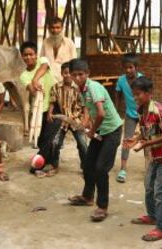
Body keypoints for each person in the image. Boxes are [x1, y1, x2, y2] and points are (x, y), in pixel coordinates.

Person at [123, 77, 162, 242]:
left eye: (138, 94)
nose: (135, 98)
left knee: (160, 192)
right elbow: (146, 130)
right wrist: (136, 138)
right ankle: (153, 216)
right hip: (154, 154)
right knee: (149, 187)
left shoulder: (159, 111)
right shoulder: (141, 110)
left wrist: (146, 143)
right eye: (134, 95)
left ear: (148, 93)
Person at [67, 59, 122, 222]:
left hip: (112, 131)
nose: (77, 78)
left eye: (80, 74)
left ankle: (102, 207)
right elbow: (88, 110)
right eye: (74, 75)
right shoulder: (81, 89)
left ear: (87, 74)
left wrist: (91, 131)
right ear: (70, 75)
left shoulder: (93, 88)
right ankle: (87, 197)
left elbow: (101, 114)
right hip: (100, 131)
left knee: (100, 169)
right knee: (88, 164)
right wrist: (84, 124)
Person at [19, 41, 58, 176]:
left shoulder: (43, 60)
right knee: (41, 139)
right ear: (22, 56)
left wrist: (35, 79)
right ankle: (50, 160)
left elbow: (44, 67)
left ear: (36, 55)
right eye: (25, 55)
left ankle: (37, 164)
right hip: (39, 109)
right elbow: (31, 90)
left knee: (49, 137)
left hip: (55, 104)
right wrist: (34, 87)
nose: (28, 57)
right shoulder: (23, 75)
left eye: (31, 54)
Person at [47, 62, 87, 175]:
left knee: (83, 144)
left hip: (76, 120)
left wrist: (85, 121)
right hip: (63, 120)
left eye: (70, 73)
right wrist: (49, 113)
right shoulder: (55, 87)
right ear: (61, 73)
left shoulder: (79, 88)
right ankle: (55, 166)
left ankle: (85, 167)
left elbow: (84, 106)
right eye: (65, 73)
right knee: (55, 143)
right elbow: (52, 102)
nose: (67, 75)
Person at [115, 53, 143, 183]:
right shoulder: (121, 80)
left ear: (136, 67)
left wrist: (147, 114)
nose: (128, 70)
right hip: (130, 114)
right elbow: (118, 96)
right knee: (127, 140)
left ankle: (149, 167)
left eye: (131, 67)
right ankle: (123, 168)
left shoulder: (142, 79)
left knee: (147, 140)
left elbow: (148, 96)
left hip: (143, 114)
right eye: (125, 68)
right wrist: (116, 113)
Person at [40, 16, 77, 82]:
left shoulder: (69, 43)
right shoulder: (45, 42)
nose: (55, 30)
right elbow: (42, 61)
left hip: (65, 80)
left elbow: (74, 64)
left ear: (62, 28)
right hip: (48, 80)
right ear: (49, 28)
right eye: (52, 28)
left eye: (57, 27)